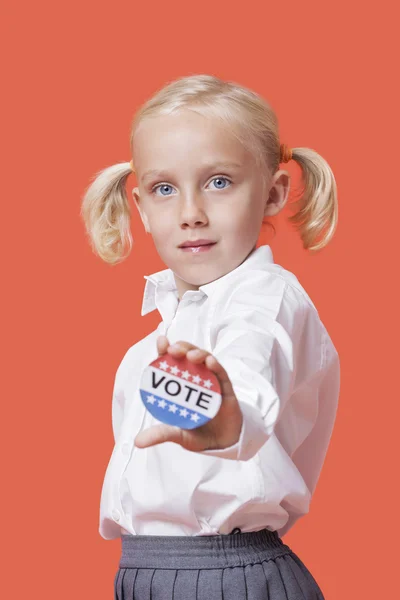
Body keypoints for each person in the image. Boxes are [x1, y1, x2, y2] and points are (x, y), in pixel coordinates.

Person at [81, 74, 340, 599]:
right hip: (145, 573)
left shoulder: (264, 299)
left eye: (219, 181)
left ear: (272, 193)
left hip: (225, 577)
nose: (191, 212)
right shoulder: (150, 346)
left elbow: (248, 374)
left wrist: (226, 419)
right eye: (164, 189)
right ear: (142, 210)